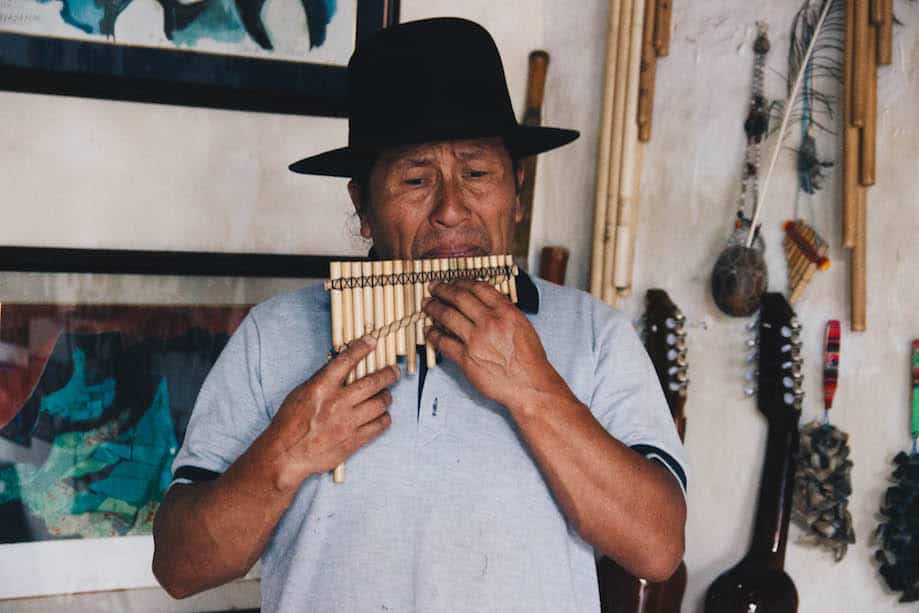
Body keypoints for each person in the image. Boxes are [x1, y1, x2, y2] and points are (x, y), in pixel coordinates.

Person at [152, 17, 687, 613]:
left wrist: (535, 394)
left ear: (517, 188)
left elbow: (657, 549)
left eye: (477, 173)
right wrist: (286, 454)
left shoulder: (597, 335)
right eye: (415, 178)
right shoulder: (271, 334)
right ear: (363, 205)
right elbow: (178, 567)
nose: (451, 210)